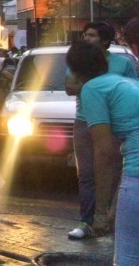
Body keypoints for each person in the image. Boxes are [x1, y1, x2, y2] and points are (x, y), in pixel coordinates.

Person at [65, 41, 139, 264]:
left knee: (127, 256)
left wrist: (99, 214)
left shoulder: (93, 89)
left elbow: (105, 153)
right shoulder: (126, 83)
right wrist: (115, 206)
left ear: (75, 70)